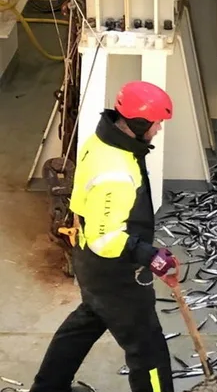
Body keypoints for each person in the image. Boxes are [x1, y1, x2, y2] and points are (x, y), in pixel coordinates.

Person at [30, 81, 179, 392]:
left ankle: (48, 388)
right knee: (148, 351)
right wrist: (149, 255)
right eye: (156, 124)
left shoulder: (100, 141)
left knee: (86, 323)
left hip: (88, 261)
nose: (158, 131)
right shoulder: (116, 172)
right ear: (138, 123)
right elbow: (105, 238)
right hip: (113, 271)